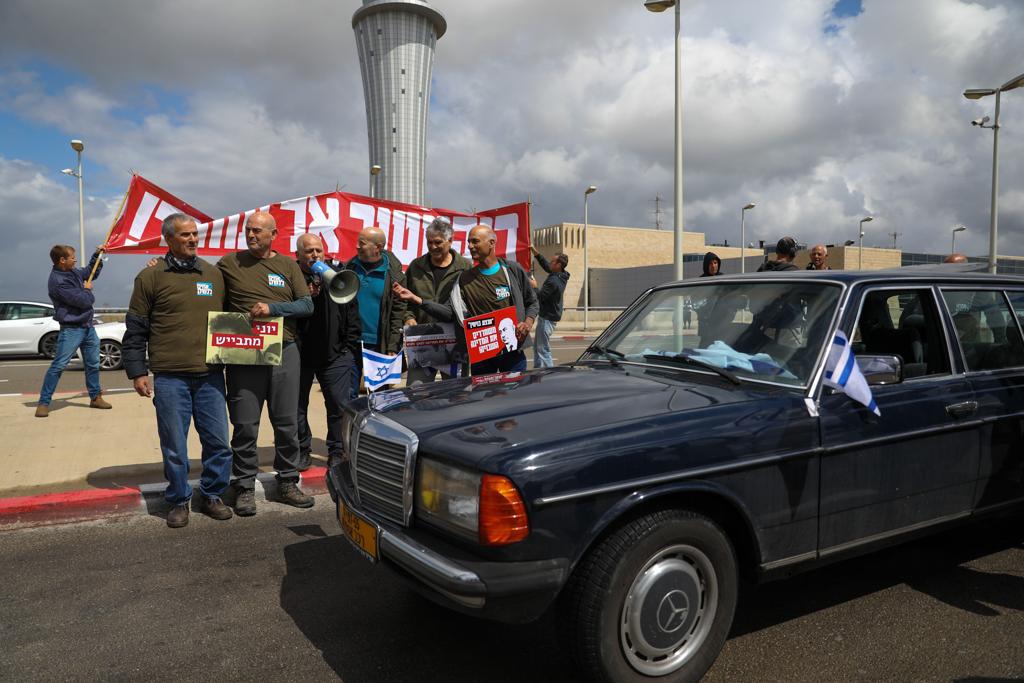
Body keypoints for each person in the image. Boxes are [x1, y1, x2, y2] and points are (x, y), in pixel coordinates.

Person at [122, 214, 233, 528]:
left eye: (195, 234)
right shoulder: (150, 278)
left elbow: (235, 317)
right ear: (168, 239)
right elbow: (136, 330)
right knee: (174, 445)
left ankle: (212, 494)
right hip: (170, 377)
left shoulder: (213, 274)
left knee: (218, 443)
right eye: (185, 235)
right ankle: (179, 500)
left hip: (211, 374)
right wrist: (137, 371)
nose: (193, 240)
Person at [218, 211, 314, 516]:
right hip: (244, 348)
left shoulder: (287, 265)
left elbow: (306, 304)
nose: (251, 235)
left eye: (258, 230)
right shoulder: (229, 263)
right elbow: (202, 286)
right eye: (248, 230)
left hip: (284, 349)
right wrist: (161, 264)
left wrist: (273, 308)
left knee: (286, 422)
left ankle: (287, 481)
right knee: (245, 422)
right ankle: (244, 485)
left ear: (274, 234)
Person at [392, 225, 538, 375]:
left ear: (492, 243)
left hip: (512, 352)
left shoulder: (512, 270)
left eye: (475, 242)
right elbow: (450, 313)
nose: (470, 246)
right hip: (482, 356)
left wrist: (527, 323)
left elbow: (532, 302)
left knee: (514, 395)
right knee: (483, 397)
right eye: (469, 242)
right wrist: (417, 300)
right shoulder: (463, 279)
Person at [294, 233, 361, 471]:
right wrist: (304, 296)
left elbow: (352, 312)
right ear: (298, 255)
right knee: (297, 407)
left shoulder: (337, 274)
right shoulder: (292, 276)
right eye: (309, 251)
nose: (315, 255)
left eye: (318, 250)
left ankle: (336, 450)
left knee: (338, 406)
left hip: (336, 354)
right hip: (300, 355)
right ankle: (302, 449)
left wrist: (348, 347)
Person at [35, 244, 112, 417]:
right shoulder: (57, 282)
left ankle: (95, 398)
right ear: (62, 260)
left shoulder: (73, 272)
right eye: (72, 257)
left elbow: (90, 272)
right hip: (71, 330)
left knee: (93, 364)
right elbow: (83, 301)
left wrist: (97, 255)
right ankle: (43, 402)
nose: (75, 260)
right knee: (59, 366)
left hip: (88, 327)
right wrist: (87, 290)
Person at [403, 218, 472, 383]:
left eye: (438, 242)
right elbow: (405, 301)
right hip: (422, 343)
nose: (433, 247)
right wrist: (408, 317)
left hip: (455, 345)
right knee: (416, 392)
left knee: (456, 394)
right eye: (429, 242)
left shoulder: (465, 267)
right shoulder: (416, 267)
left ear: (450, 241)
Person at [345, 227, 409, 395]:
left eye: (362, 243)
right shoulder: (349, 268)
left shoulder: (394, 276)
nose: (357, 246)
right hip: (351, 343)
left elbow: (397, 313)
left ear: (378, 247)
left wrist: (393, 345)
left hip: (379, 345)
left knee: (379, 396)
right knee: (347, 394)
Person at [529, 245, 570, 368]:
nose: (550, 263)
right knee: (537, 347)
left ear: (558, 265)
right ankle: (537, 370)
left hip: (547, 319)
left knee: (543, 349)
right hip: (548, 317)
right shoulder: (562, 274)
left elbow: (540, 297)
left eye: (552, 261)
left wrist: (534, 286)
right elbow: (547, 266)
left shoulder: (554, 282)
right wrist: (536, 253)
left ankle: (549, 374)